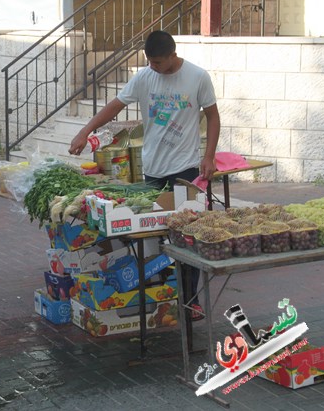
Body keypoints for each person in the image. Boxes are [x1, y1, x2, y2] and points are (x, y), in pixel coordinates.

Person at [69, 30, 221, 321]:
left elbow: (213, 116)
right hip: (151, 170)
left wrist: (209, 155)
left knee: (187, 237)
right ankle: (161, 298)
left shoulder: (197, 76)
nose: (153, 67)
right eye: (149, 61)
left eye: (158, 62)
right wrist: (84, 131)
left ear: (173, 55)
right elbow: (115, 107)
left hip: (186, 170)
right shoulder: (144, 77)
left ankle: (191, 301)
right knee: (152, 239)